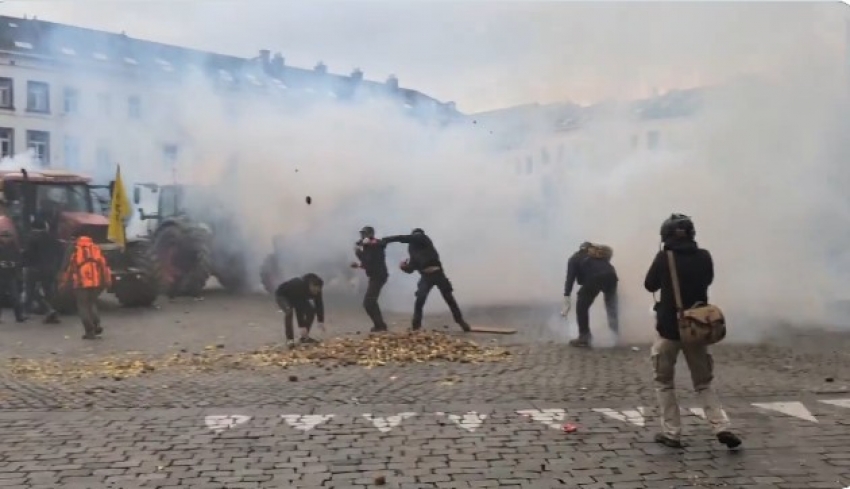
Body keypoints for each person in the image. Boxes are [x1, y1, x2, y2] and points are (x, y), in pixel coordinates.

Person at [644, 213, 741, 449]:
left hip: (669, 329)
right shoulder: (704, 256)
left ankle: (672, 433)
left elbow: (649, 285)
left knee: (664, 382)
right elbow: (707, 280)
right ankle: (721, 426)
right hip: (697, 328)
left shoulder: (664, 258)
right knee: (704, 382)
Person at [383, 228, 470, 332]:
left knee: (449, 299)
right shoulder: (412, 249)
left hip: (438, 273)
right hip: (426, 276)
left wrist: (388, 239)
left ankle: (460, 321)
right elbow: (412, 267)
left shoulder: (423, 238)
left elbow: (404, 238)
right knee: (420, 301)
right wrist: (404, 267)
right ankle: (416, 327)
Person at [562, 241, 619, 347]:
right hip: (612, 276)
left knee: (582, 305)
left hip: (594, 278)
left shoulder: (574, 259)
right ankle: (615, 335)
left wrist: (567, 295)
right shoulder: (598, 255)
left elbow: (570, 279)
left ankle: (584, 336)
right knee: (611, 306)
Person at [61, 231, 111, 339]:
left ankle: (89, 331)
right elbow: (103, 265)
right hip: (96, 281)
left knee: (83, 306)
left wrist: (64, 282)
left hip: (81, 282)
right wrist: (107, 280)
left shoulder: (75, 249)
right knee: (91, 303)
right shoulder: (95, 248)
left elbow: (69, 267)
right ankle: (96, 324)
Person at [350, 226, 389, 333]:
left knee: (369, 302)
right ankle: (380, 325)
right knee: (371, 302)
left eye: (365, 234)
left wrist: (366, 245)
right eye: (362, 234)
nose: (363, 236)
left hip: (379, 276)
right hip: (375, 276)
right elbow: (367, 263)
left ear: (370, 234)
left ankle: (380, 326)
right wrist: (358, 261)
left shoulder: (376, 245)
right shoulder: (367, 248)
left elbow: (381, 244)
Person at [23, 218, 60, 323]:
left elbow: (28, 254)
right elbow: (58, 252)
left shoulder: (31, 237)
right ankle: (51, 311)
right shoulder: (52, 238)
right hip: (49, 269)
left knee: (31, 290)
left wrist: (24, 264)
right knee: (48, 291)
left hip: (34, 268)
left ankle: (29, 311)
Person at [275, 272, 325, 349]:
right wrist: (301, 325)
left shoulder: (317, 290)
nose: (316, 293)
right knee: (289, 312)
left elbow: (319, 304)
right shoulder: (298, 285)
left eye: (318, 291)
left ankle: (304, 338)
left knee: (311, 311)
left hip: (300, 298)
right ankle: (290, 340)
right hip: (283, 295)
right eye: (314, 290)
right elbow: (299, 308)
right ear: (310, 285)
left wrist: (320, 320)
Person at [0, 229, 25, 323]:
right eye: (4, 236)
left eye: (7, 236)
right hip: (1, 274)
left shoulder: (14, 248)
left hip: (11, 275)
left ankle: (19, 316)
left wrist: (13, 264)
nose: (6, 239)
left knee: (15, 296)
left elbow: (19, 260)